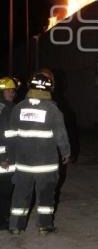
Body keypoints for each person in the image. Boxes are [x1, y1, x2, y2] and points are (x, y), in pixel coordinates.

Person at [6, 72, 70, 235]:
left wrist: (9, 157)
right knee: (46, 196)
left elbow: (11, 136)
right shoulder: (52, 108)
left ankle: (15, 226)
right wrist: (66, 152)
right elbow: (61, 134)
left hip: (23, 164)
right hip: (46, 165)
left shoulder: (18, 108)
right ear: (49, 88)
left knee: (20, 195)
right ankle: (44, 226)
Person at [0, 77, 17, 230]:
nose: (12, 93)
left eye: (13, 90)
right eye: (9, 90)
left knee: (8, 190)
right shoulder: (4, 109)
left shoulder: (10, 107)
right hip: (4, 160)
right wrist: (2, 158)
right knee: (4, 191)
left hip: (10, 157)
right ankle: (2, 221)